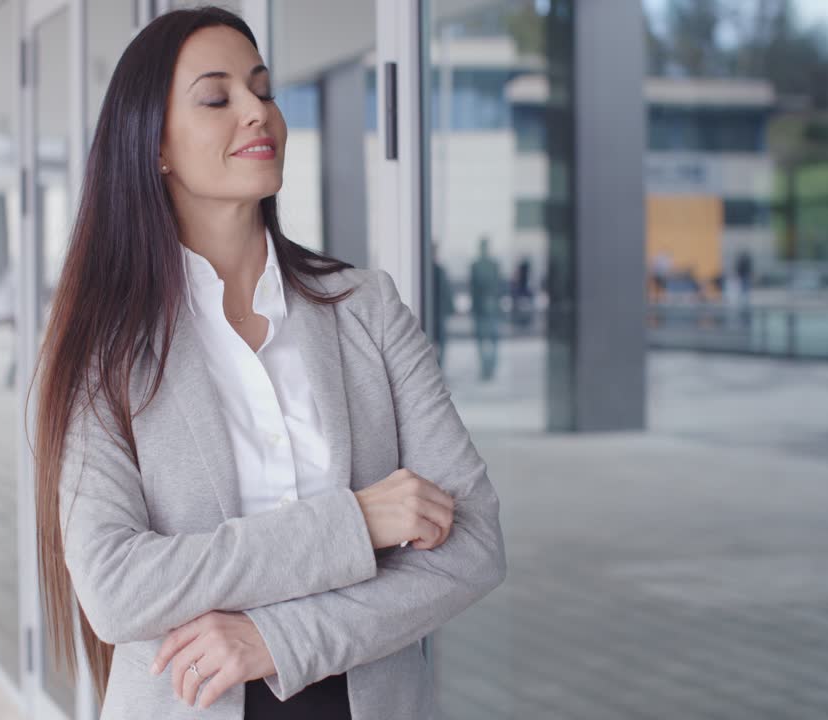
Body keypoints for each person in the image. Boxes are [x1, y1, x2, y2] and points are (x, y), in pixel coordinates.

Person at [31, 9, 505, 720]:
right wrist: (356, 522)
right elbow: (116, 588)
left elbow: (474, 543)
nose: (258, 112)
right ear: (155, 147)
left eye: (263, 90)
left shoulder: (367, 308)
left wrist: (279, 639)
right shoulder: (106, 350)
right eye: (217, 98)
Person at [469, 236, 503, 380]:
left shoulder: (477, 265)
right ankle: (489, 367)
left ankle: (487, 367)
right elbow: (499, 286)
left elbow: (473, 288)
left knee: (485, 340)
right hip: (489, 307)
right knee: (490, 339)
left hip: (485, 308)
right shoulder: (492, 265)